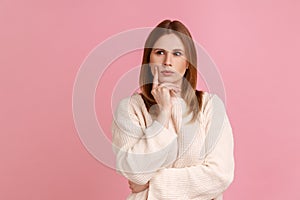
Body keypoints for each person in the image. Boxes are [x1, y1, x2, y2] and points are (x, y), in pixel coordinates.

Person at [111, 19, 235, 200]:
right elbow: (136, 173)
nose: (167, 62)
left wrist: (152, 184)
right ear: (148, 60)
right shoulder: (130, 108)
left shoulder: (210, 106)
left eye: (177, 54)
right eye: (160, 52)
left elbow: (220, 175)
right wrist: (163, 114)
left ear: (187, 63)